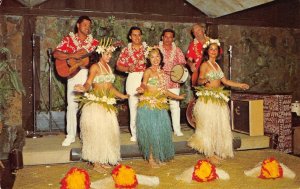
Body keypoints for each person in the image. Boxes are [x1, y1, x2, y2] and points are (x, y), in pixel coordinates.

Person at [187, 39, 249, 165]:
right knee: (207, 127)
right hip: (207, 99)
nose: (213, 51)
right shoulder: (205, 65)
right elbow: (199, 80)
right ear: (207, 51)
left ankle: (214, 152)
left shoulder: (217, 66)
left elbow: (225, 81)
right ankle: (209, 154)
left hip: (218, 98)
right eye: (211, 49)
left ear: (218, 51)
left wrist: (240, 85)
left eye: (215, 49)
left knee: (217, 127)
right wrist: (203, 81)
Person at [74, 39, 128, 172]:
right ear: (100, 53)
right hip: (96, 105)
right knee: (97, 134)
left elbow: (110, 87)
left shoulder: (109, 68)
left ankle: (103, 159)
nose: (109, 56)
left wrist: (123, 96)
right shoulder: (95, 67)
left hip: (106, 105)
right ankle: (96, 162)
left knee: (108, 133)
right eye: (107, 54)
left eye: (110, 54)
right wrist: (83, 87)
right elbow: (88, 83)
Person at [53, 16, 99, 146]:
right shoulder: (69, 40)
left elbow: (98, 58)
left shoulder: (94, 43)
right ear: (78, 25)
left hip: (90, 75)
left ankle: (88, 136)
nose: (87, 27)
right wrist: (72, 55)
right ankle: (70, 135)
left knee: (89, 105)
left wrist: (90, 60)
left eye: (89, 25)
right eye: (84, 24)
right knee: (71, 106)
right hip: (73, 74)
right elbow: (56, 53)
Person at [136, 48, 185, 168]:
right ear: (149, 59)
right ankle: (151, 158)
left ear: (161, 58)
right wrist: (142, 88)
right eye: (152, 57)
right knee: (151, 133)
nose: (155, 59)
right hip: (149, 106)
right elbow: (144, 83)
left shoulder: (162, 73)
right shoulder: (148, 71)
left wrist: (177, 97)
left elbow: (165, 91)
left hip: (160, 105)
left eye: (157, 56)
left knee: (159, 133)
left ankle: (157, 156)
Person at [116, 26, 148, 142]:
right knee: (133, 106)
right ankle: (134, 134)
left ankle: (146, 131)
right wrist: (128, 68)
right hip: (133, 77)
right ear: (130, 37)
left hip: (146, 77)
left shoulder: (147, 49)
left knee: (146, 105)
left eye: (139, 34)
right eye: (134, 35)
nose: (137, 37)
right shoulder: (126, 50)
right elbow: (118, 66)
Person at [159, 29, 186, 136]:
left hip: (174, 81)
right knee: (160, 106)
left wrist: (178, 73)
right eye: (166, 37)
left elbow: (182, 65)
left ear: (173, 39)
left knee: (175, 106)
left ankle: (177, 130)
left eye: (170, 37)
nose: (168, 39)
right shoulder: (157, 48)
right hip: (160, 81)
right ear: (162, 37)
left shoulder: (178, 50)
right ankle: (162, 130)